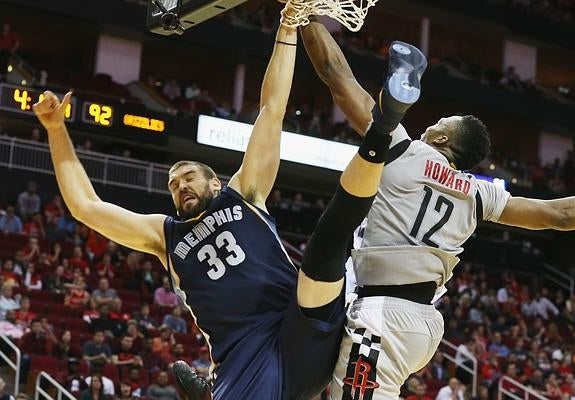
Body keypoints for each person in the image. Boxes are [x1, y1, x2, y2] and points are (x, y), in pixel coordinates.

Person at [32, 3, 423, 398]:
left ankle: (382, 135)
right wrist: (55, 128)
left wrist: (287, 27)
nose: (180, 186)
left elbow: (271, 110)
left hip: (300, 321)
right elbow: (86, 206)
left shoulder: (245, 192)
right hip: (244, 356)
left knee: (324, 254)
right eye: (172, 184)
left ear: (215, 184)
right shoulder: (162, 235)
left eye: (188, 178)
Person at [300, 17, 575, 399]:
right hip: (420, 322)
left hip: (384, 314)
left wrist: (305, 17)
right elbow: (560, 215)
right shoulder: (481, 195)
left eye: (440, 121)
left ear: (442, 136)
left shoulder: (401, 147)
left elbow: (337, 76)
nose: (432, 122)